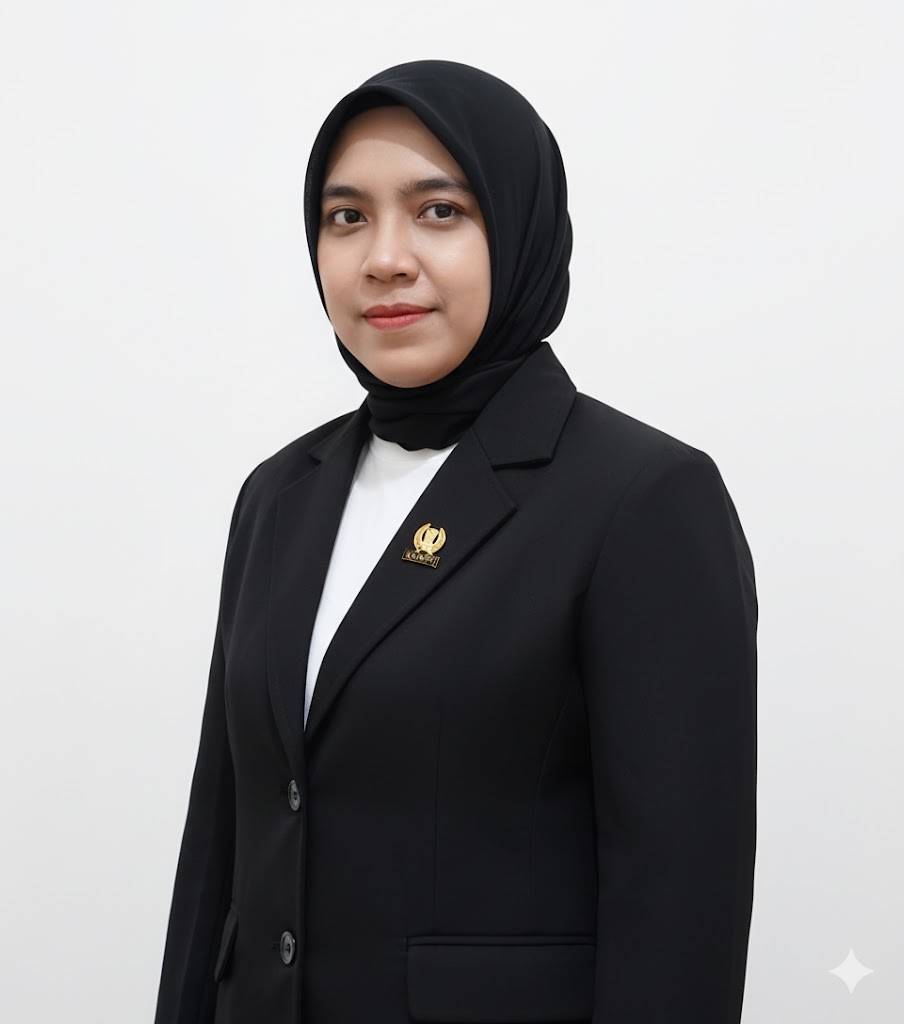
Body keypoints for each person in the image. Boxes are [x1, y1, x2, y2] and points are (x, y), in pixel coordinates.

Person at [153, 59, 758, 1024]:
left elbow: (679, 916)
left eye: (439, 211)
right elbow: (219, 849)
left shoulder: (641, 498)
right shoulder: (279, 495)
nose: (384, 258)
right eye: (346, 217)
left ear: (517, 230)